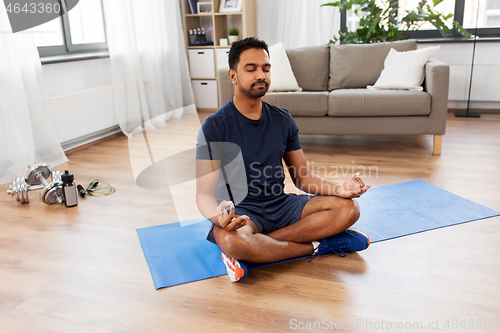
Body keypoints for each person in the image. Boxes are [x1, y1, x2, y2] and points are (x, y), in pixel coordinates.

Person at [196, 37, 371, 282]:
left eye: (266, 69)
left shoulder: (283, 119)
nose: (261, 75)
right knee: (233, 240)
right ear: (233, 76)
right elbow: (203, 194)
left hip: (280, 205)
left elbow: (303, 177)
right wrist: (219, 218)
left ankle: (258, 248)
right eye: (251, 69)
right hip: (242, 212)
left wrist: (339, 189)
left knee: (348, 208)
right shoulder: (213, 127)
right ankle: (318, 245)